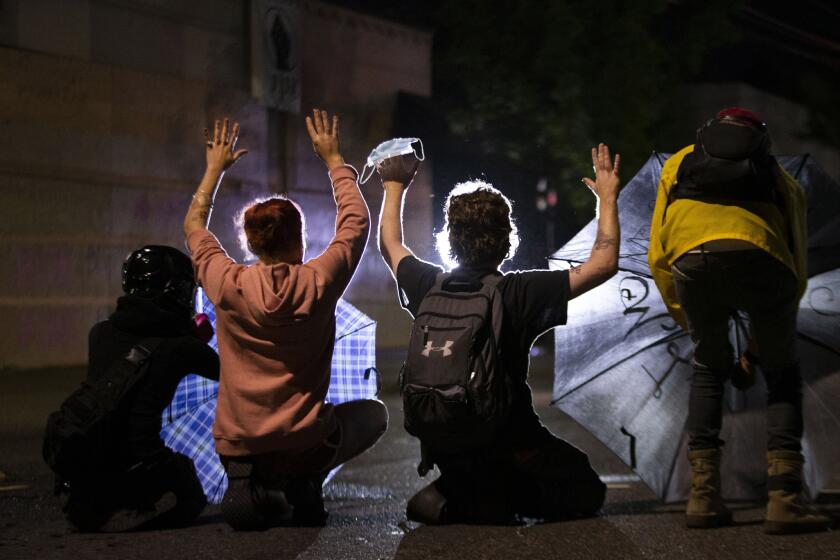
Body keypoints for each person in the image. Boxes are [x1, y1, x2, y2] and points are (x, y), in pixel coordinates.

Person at [376, 143, 622, 523]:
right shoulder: (517, 292)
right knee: (586, 486)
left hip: (447, 444)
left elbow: (390, 244)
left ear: (450, 237)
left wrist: (395, 185)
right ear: (507, 238)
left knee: (480, 471)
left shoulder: (429, 284)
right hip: (511, 442)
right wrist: (606, 197)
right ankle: (490, 497)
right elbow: (603, 264)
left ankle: (460, 489)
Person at [183, 111, 387, 529]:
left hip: (238, 440)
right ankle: (305, 480)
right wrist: (333, 159)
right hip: (304, 440)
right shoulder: (319, 280)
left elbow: (193, 226)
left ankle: (246, 477)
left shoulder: (226, 282)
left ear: (251, 242)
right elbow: (356, 222)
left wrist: (213, 171)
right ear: (300, 236)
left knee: (246, 447)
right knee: (374, 414)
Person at [648, 108, 830, 534]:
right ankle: (784, 500)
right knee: (783, 374)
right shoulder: (783, 182)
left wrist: (690, 321)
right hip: (766, 265)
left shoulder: (678, 164)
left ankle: (704, 496)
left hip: (693, 263)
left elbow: (658, 255)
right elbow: (797, 270)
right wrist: (757, 352)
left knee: (708, 368)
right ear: (759, 144)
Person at [63, 245, 220, 532]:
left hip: (86, 455)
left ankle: (98, 499)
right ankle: (142, 510)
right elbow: (222, 371)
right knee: (187, 482)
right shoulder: (179, 347)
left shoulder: (99, 333)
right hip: (141, 458)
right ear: (175, 290)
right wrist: (197, 337)